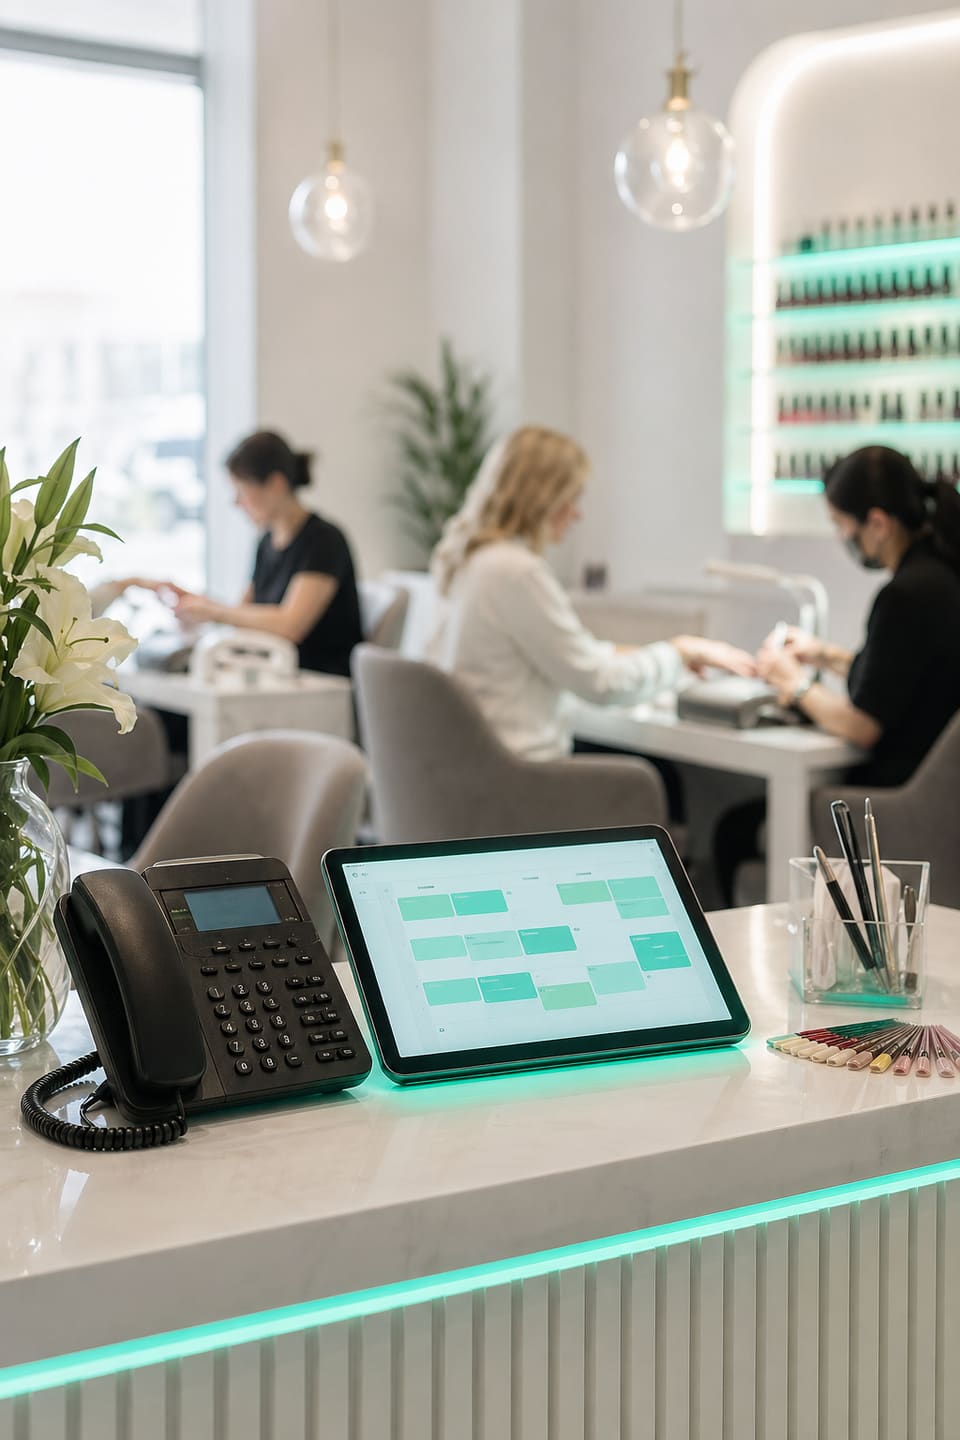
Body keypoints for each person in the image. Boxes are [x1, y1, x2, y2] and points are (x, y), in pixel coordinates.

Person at [716, 445, 960, 903]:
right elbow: (905, 676)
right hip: (940, 803)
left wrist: (793, 681)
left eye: (840, 524)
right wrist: (824, 655)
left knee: (733, 830)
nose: (840, 536)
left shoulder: (906, 596)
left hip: (889, 800)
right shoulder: (943, 577)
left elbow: (861, 725)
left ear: (878, 523)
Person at [429, 426, 756, 761]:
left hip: (481, 772)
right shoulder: (516, 572)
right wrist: (679, 652)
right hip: (523, 779)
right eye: (572, 497)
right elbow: (602, 685)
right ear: (542, 497)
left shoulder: (473, 563)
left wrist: (657, 656)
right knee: (658, 777)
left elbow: (568, 653)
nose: (577, 513)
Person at [170, 430, 363, 677]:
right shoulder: (266, 543)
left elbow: (290, 625)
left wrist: (213, 611)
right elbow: (244, 613)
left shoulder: (324, 540)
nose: (237, 503)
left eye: (242, 490)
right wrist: (200, 605)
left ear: (276, 484)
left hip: (319, 680)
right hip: (272, 674)